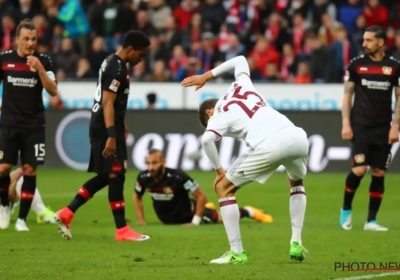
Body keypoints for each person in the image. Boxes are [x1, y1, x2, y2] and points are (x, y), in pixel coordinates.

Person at [181, 55, 309, 264]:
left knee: (223, 188)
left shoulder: (219, 113)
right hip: (297, 136)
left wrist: (219, 171)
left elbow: (207, 140)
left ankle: (237, 253)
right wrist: (207, 76)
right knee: (296, 182)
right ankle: (296, 241)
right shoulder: (241, 85)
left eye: (208, 121)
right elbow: (240, 59)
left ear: (209, 112)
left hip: (270, 143)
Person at [54, 30, 151, 242]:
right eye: (140, 55)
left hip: (106, 124)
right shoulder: (117, 68)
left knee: (108, 175)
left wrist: (120, 123)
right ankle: (122, 230)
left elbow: (112, 101)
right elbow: (107, 102)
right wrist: (111, 134)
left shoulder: (111, 61)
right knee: (116, 174)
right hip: (104, 128)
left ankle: (67, 213)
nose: (140, 60)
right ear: (130, 49)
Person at [340, 25, 400, 232]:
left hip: (383, 128)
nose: (364, 44)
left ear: (381, 42)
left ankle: (371, 221)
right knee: (359, 169)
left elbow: (399, 98)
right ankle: (346, 210)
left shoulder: (394, 66)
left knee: (378, 172)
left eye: (369, 40)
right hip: (361, 126)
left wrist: (396, 126)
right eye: (364, 40)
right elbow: (347, 96)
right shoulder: (356, 65)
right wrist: (346, 123)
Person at [0, 19, 58, 231]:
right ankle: (4, 207)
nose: (30, 43)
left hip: (34, 124)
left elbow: (53, 91)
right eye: (26, 39)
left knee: (29, 169)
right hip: (8, 123)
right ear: (17, 39)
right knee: (3, 168)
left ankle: (22, 219)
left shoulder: (44, 61)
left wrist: (41, 69)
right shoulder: (5, 60)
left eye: (33, 39)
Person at [134, 149, 273, 226]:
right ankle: (209, 207)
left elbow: (201, 196)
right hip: (167, 220)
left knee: (221, 218)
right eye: (148, 163)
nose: (151, 167)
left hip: (189, 215)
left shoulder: (178, 177)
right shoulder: (143, 178)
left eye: (154, 163)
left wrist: (195, 222)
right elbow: (137, 196)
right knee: (209, 209)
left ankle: (250, 212)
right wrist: (141, 220)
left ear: (163, 162)